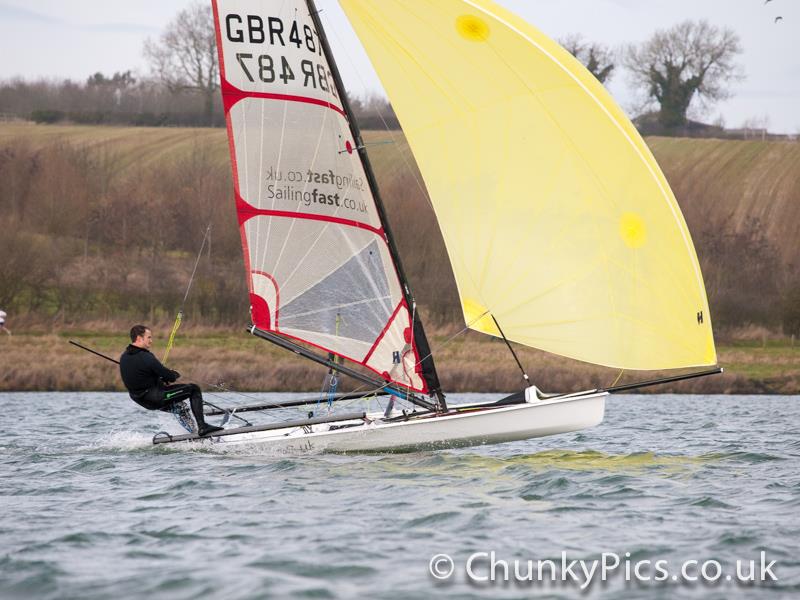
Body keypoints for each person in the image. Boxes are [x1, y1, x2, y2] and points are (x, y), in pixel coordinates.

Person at [119, 324, 223, 436]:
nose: (151, 341)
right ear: (139, 338)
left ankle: (193, 432)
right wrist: (173, 374)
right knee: (193, 389)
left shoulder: (124, 357)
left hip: (142, 400)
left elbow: (141, 378)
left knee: (180, 407)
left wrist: (158, 378)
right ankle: (203, 427)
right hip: (156, 397)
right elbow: (170, 377)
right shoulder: (146, 357)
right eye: (149, 337)